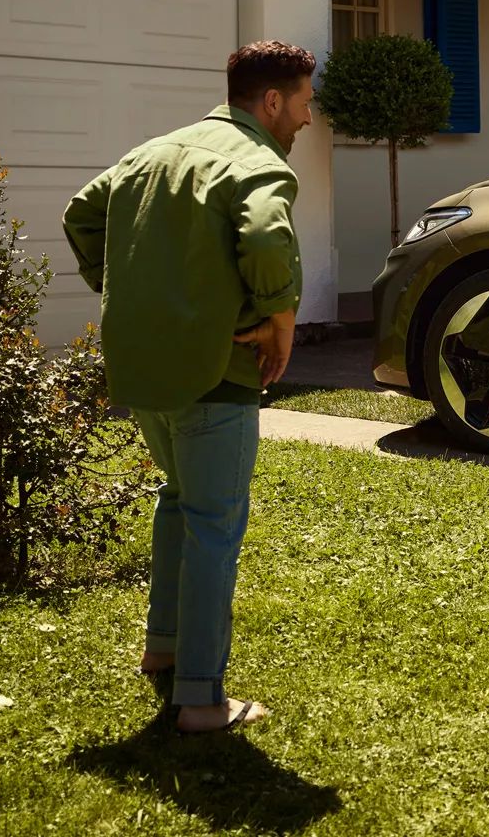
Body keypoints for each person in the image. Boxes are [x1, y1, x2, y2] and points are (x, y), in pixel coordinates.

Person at [62, 40, 315, 732]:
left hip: (146, 370)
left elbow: (82, 215)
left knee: (180, 503)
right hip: (217, 372)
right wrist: (281, 319)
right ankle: (201, 700)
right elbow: (266, 240)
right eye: (303, 102)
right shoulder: (257, 163)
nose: (308, 118)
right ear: (271, 102)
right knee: (212, 525)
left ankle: (163, 649)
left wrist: (131, 292)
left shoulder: (154, 152)